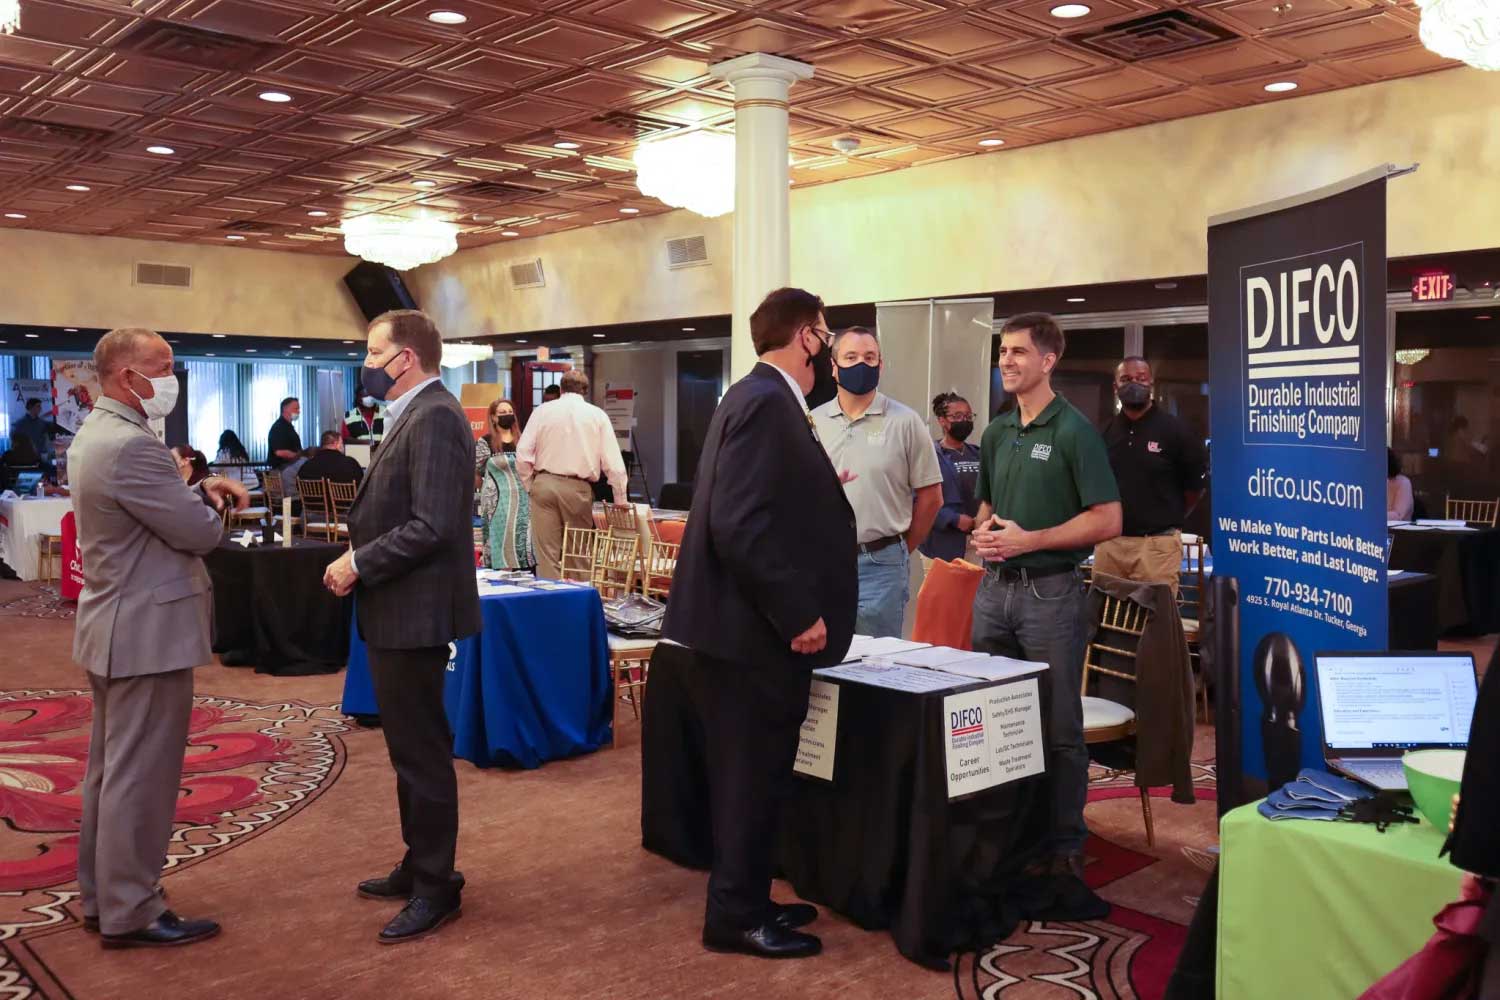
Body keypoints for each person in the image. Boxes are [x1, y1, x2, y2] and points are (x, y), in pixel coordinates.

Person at [648, 286, 857, 959]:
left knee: (757, 777)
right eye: (825, 335)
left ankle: (748, 896)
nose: (827, 349)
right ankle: (733, 915)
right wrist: (796, 611)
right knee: (750, 778)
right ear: (807, 337)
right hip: (753, 636)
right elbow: (740, 523)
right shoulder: (768, 403)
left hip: (740, 633)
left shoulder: (755, 397)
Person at [70, 327, 248, 948]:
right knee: (141, 775)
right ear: (125, 376)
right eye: (163, 366)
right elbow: (199, 535)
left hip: (115, 621)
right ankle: (132, 909)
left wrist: (192, 491)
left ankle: (104, 896)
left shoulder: (99, 433)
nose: (173, 376)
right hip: (145, 628)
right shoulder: (134, 445)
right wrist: (208, 507)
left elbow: (147, 515)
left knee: (112, 770)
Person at [322, 309, 480, 945]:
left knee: (422, 755)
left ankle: (437, 884)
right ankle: (420, 863)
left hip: (415, 611)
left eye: (372, 351)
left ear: (405, 358)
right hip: (398, 609)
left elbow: (433, 525)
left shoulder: (437, 415)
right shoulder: (413, 412)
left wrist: (359, 561)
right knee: (408, 751)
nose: (365, 362)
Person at [970, 312, 1121, 908]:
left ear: (1048, 360)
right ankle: (1008, 837)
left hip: (1052, 595)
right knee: (994, 720)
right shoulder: (996, 432)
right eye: (1003, 352)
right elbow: (987, 506)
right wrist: (983, 532)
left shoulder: (1076, 431)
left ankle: (1064, 851)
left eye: (1018, 353)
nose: (1007, 361)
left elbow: (1108, 519)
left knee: (1059, 730)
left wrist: (1030, 539)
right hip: (993, 592)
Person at [811, 326, 941, 638]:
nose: (861, 365)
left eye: (870, 358)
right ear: (834, 366)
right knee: (823, 663)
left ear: (880, 365)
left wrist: (900, 549)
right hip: (823, 562)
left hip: (881, 565)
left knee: (875, 667)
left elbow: (932, 497)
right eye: (851, 357)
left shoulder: (905, 422)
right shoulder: (812, 422)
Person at [1092, 357, 1206, 597]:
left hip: (1157, 547)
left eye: (1141, 378)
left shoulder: (1176, 431)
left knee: (1156, 626)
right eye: (1126, 379)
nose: (1134, 383)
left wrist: (1165, 517)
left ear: (1151, 383)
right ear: (1115, 387)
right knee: (1104, 625)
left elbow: (1195, 488)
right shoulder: (1103, 432)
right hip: (1110, 545)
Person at [515, 369, 626, 580]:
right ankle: (577, 605)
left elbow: (523, 454)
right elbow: (614, 464)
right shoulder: (597, 415)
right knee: (578, 553)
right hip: (577, 488)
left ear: (561, 388)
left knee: (546, 555)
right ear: (585, 390)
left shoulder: (542, 411)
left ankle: (549, 608)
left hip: (544, 483)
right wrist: (620, 498)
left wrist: (531, 485)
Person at [919, 392, 982, 571]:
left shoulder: (978, 453)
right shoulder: (929, 455)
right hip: (942, 546)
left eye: (968, 416)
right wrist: (953, 519)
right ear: (942, 421)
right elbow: (915, 500)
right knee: (943, 598)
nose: (965, 420)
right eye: (957, 416)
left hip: (976, 544)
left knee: (974, 598)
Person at [476, 398, 532, 570]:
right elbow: (478, 471)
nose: (507, 415)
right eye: (502, 413)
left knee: (521, 540)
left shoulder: (523, 440)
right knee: (499, 540)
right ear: (493, 417)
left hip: (522, 499)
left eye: (509, 412)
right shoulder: (485, 442)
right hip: (496, 502)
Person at [11, 398, 64, 471]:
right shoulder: (19, 424)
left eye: (40, 406)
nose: (40, 409)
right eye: (38, 406)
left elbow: (57, 429)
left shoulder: (42, 423)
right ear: (30, 407)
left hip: (39, 459)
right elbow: (15, 441)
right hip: (24, 460)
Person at [299, 431, 363, 487]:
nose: (343, 446)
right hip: (345, 500)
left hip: (312, 500)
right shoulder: (350, 463)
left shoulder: (307, 465)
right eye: (341, 443)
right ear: (336, 444)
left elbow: (299, 483)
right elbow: (361, 483)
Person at [267, 397, 301, 470]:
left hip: (289, 468)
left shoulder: (288, 427)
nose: (298, 411)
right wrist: (299, 456)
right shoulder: (279, 427)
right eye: (296, 409)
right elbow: (280, 452)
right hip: (283, 470)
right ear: (285, 409)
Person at [1387, 448, 1414, 521]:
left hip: (1397, 531)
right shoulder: (1369, 483)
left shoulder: (1403, 483)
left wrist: (1371, 516)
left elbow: (1398, 515)